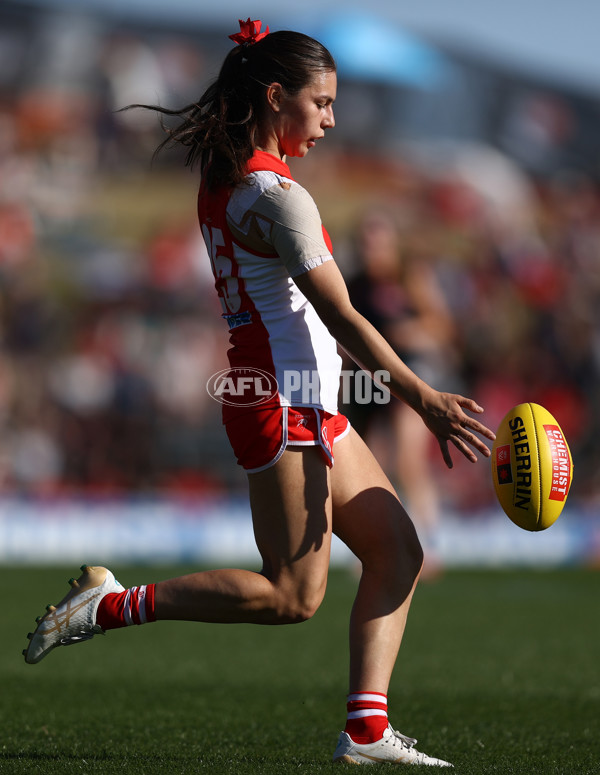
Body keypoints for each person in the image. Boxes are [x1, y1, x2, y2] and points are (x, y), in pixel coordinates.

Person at [23, 19, 495, 766]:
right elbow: (342, 314)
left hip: (299, 400)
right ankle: (109, 605)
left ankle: (366, 732)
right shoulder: (278, 196)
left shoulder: (228, 176)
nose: (333, 120)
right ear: (277, 97)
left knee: (398, 549)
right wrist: (422, 395)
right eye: (323, 102)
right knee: (291, 597)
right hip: (282, 402)